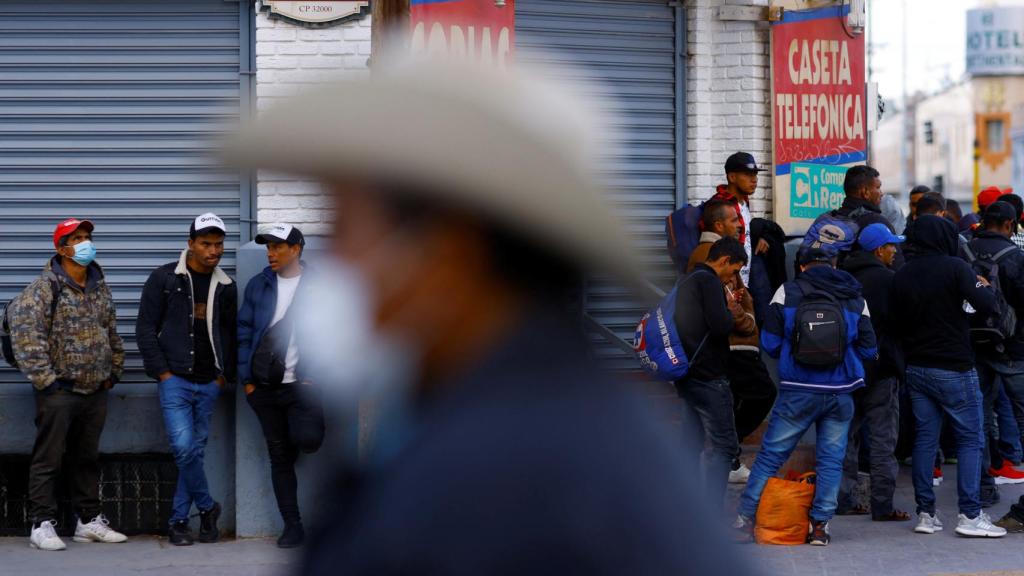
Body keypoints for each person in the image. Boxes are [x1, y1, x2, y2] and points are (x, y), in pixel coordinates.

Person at [224, 60, 754, 575]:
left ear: (450, 253)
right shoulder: (552, 418)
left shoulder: (487, 483)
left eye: (347, 227)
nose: (337, 261)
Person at [734, 247, 876, 546]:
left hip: (797, 392)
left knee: (771, 457)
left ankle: (746, 520)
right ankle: (820, 528)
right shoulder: (853, 294)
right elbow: (869, 350)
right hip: (841, 393)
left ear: (801, 267)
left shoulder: (786, 292)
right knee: (831, 460)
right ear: (833, 264)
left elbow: (770, 344)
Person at [7, 218, 128, 551]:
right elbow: (26, 336)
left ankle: (87, 521)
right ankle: (41, 524)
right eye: (77, 239)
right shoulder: (44, 288)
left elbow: (111, 331)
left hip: (95, 390)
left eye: (87, 237)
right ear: (61, 248)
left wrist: (113, 371)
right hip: (59, 390)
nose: (85, 243)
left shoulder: (99, 285)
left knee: (86, 457)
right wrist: (46, 383)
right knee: (49, 458)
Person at [891, 215, 1005, 537]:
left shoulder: (902, 274)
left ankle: (926, 514)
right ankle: (970, 514)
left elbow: (896, 325)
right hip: (954, 366)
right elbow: (986, 304)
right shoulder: (956, 267)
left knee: (925, 440)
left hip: (917, 367)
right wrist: (982, 283)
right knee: (970, 438)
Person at [135, 213, 237, 546]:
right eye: (206, 244)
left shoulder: (226, 286)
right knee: (183, 448)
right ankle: (207, 508)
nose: (214, 251)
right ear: (190, 243)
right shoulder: (165, 278)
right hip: (174, 379)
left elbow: (231, 335)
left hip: (209, 382)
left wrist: (224, 377)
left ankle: (179, 522)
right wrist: (162, 373)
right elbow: (145, 329)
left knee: (192, 452)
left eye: (218, 244)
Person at [238, 223, 325, 548]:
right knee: (278, 457)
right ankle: (293, 526)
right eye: (267, 247)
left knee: (308, 440)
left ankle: (298, 438)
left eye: (277, 247)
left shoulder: (318, 285)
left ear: (296, 249)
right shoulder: (259, 285)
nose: (270, 253)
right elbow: (244, 331)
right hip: (264, 387)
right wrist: (248, 381)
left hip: (304, 386)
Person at [687, 204, 777, 484]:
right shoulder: (707, 268)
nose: (739, 224)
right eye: (733, 219)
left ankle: (704, 470)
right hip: (724, 354)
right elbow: (725, 319)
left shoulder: (707, 268)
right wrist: (747, 318)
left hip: (711, 360)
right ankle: (725, 465)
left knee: (698, 420)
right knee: (751, 401)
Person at [836, 224, 910, 521]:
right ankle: (882, 505)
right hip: (881, 370)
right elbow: (902, 325)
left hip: (846, 370)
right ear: (879, 250)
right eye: (891, 246)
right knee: (882, 440)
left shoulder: (844, 277)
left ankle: (842, 500)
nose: (895, 251)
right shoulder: (889, 281)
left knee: (843, 437)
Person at [675, 236, 745, 506]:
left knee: (690, 443)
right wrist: (730, 311)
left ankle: (687, 508)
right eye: (735, 270)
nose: (733, 277)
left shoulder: (688, 280)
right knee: (724, 448)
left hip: (688, 375)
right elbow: (720, 326)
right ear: (725, 260)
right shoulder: (709, 281)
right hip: (709, 376)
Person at [966, 203, 1024, 498]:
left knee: (979, 416)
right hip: (1012, 347)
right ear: (1009, 225)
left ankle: (983, 488)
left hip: (973, 344)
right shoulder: (1016, 257)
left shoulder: (964, 252)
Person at [710, 152, 770, 287]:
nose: (754, 180)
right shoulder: (720, 206)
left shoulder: (743, 201)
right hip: (729, 280)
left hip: (745, 276)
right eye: (748, 174)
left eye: (755, 175)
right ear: (732, 177)